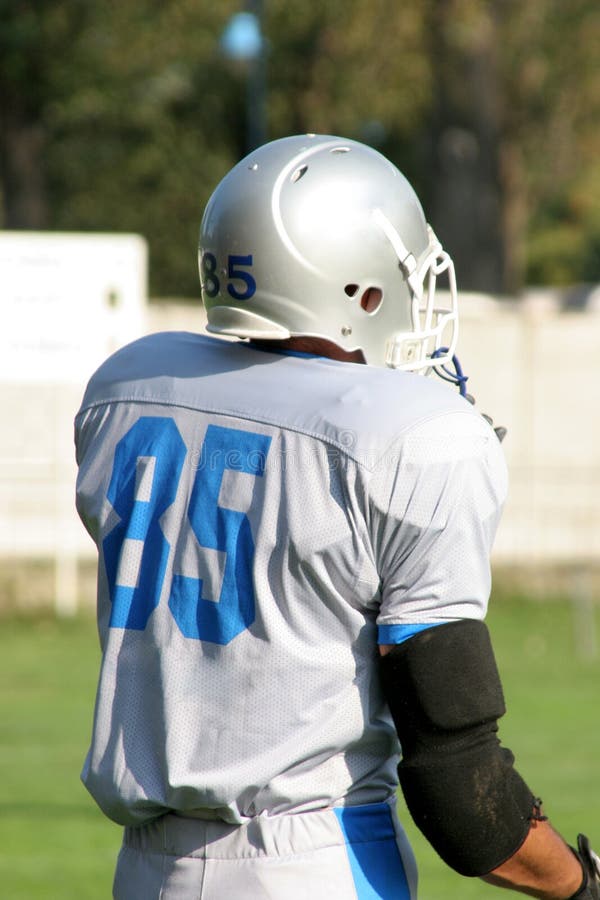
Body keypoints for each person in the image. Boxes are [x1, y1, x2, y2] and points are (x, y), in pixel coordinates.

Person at [75, 134, 599, 899]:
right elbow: (459, 781)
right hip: (311, 862)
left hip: (147, 869)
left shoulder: (128, 388)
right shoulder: (410, 434)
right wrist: (580, 881)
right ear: (359, 290)